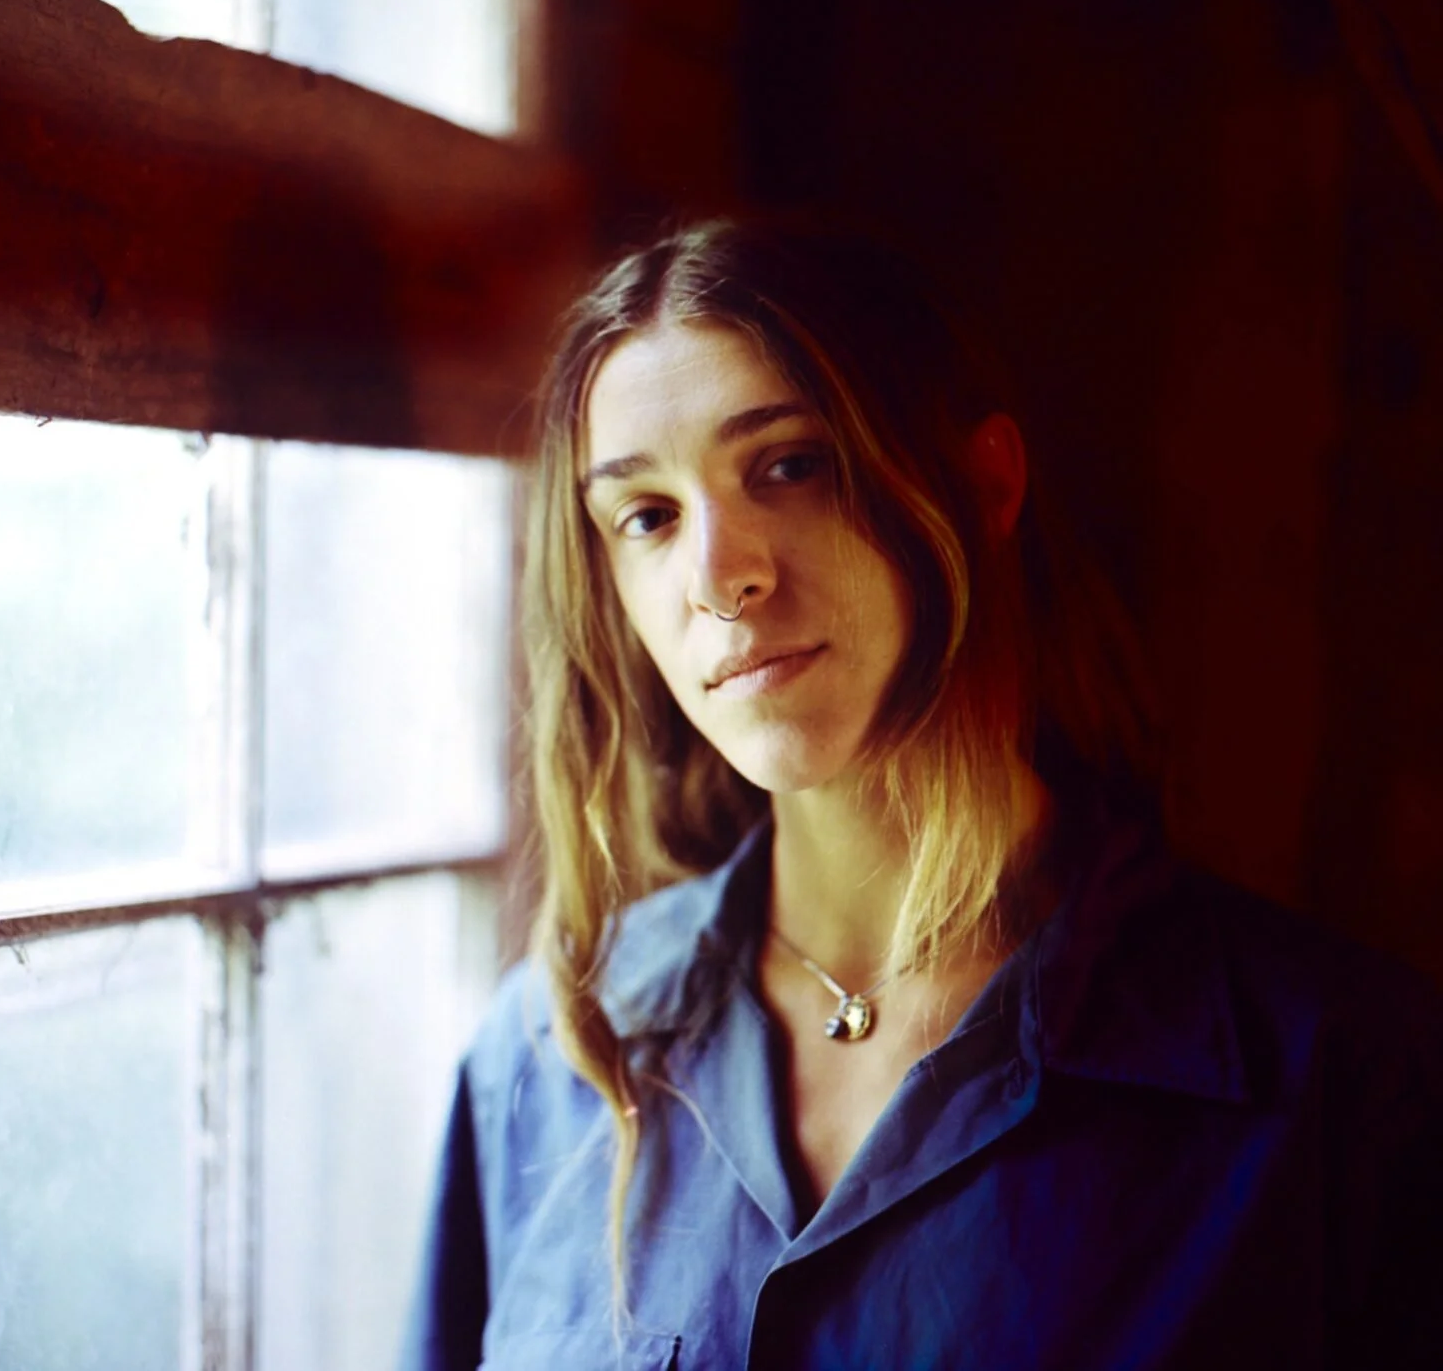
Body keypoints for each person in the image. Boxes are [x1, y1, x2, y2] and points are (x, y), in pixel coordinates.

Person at [401, 219, 1443, 1370]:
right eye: (648, 516)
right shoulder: (546, 1060)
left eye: (789, 465)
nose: (720, 576)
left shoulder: (1344, 1083)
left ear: (984, 483)